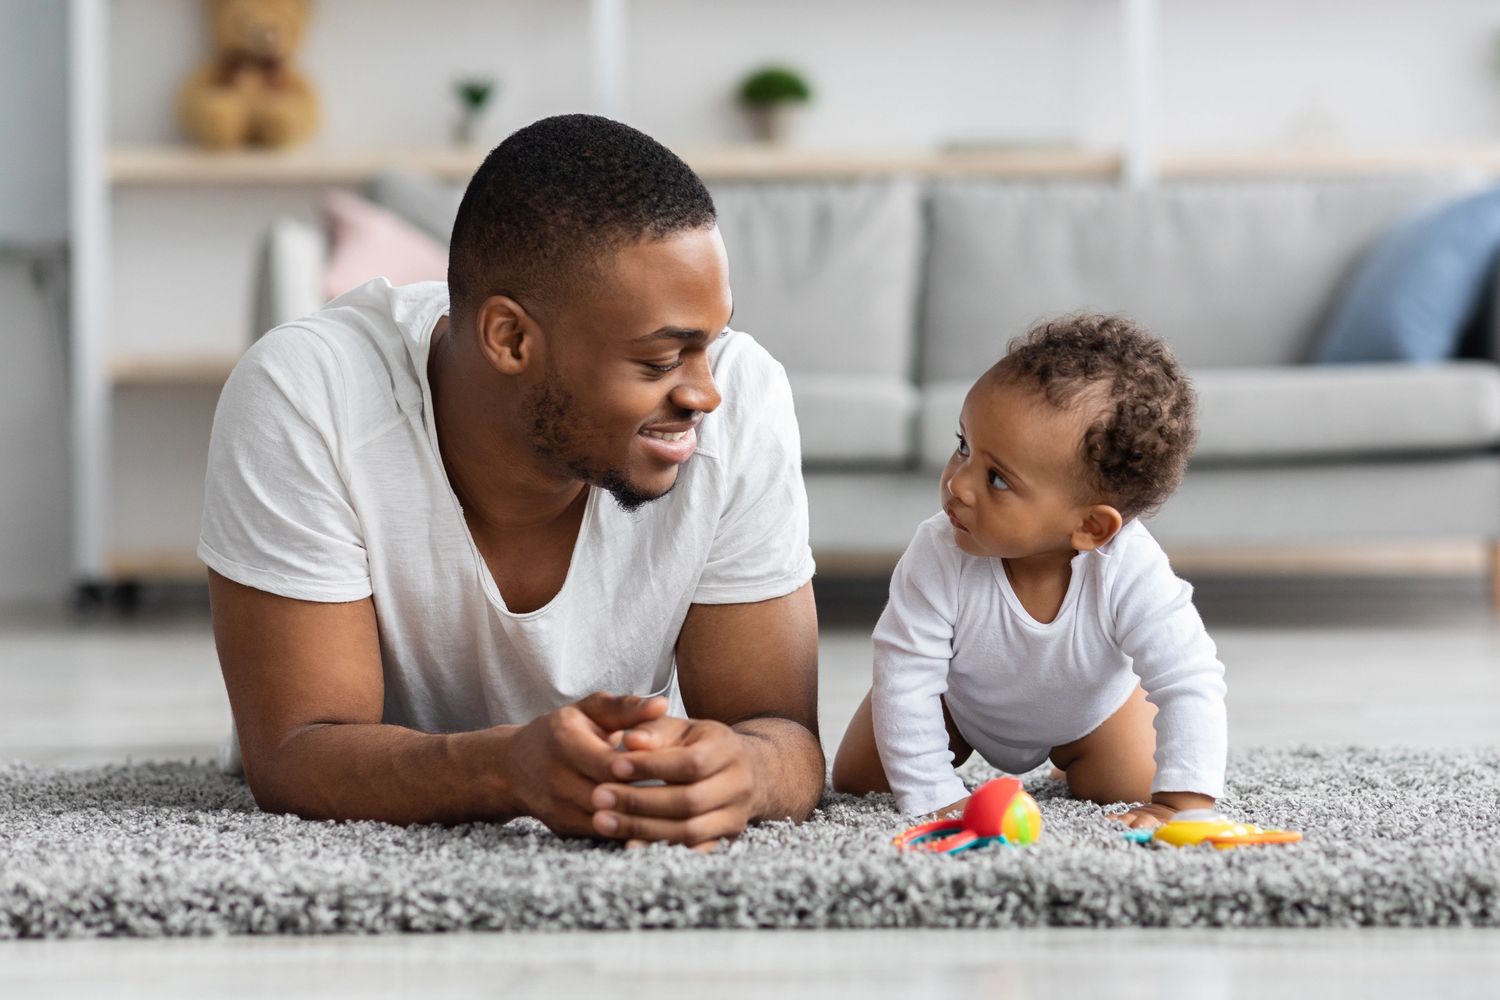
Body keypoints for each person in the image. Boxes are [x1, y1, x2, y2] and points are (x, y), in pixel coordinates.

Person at [199, 114, 823, 850]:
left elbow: (786, 736)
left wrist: (742, 772)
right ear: (511, 339)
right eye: (659, 362)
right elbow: (297, 750)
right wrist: (504, 770)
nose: (704, 394)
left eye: (709, 345)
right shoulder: (309, 393)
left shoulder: (743, 396)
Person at [831, 315, 1227, 828]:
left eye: (997, 479)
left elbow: (1189, 676)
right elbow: (905, 676)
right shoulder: (937, 551)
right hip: (957, 707)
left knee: (1129, 785)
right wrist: (934, 796)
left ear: (1091, 526)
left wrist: (1182, 804)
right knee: (858, 780)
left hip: (1089, 715)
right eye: (963, 446)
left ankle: (1074, 761)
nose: (959, 485)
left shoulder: (1130, 569)